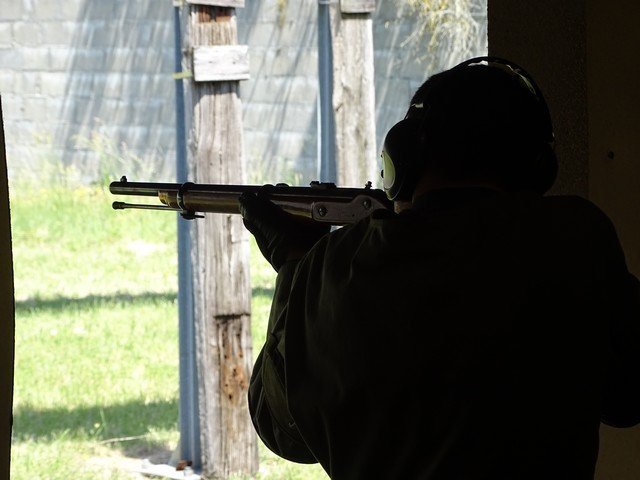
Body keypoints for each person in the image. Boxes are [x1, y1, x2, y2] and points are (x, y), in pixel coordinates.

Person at [238, 56, 640, 479]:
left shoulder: (333, 268)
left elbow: (281, 427)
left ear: (402, 159)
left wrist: (294, 265)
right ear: (537, 165)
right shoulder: (578, 237)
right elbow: (626, 398)